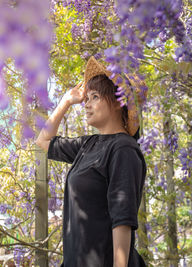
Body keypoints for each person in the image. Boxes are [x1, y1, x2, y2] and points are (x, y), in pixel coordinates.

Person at [35, 57, 147, 267]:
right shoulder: (88, 145)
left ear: (117, 101)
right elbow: (43, 140)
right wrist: (66, 101)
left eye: (94, 97)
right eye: (86, 98)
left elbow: (122, 220)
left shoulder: (123, 148)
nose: (86, 104)